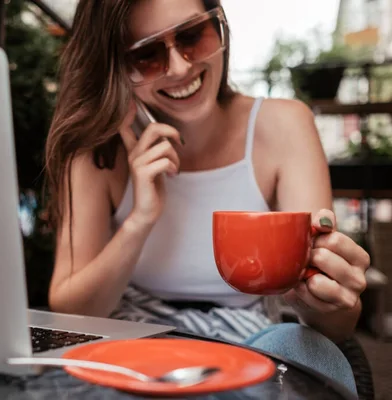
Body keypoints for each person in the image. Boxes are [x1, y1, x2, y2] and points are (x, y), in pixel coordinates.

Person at [43, 0, 370, 394]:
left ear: (219, 28)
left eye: (191, 35)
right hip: (134, 347)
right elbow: (73, 315)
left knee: (297, 348)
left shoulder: (284, 125)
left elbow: (330, 325)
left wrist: (333, 300)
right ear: (115, 68)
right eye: (146, 54)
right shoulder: (96, 151)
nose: (179, 67)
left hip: (257, 344)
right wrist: (140, 219)